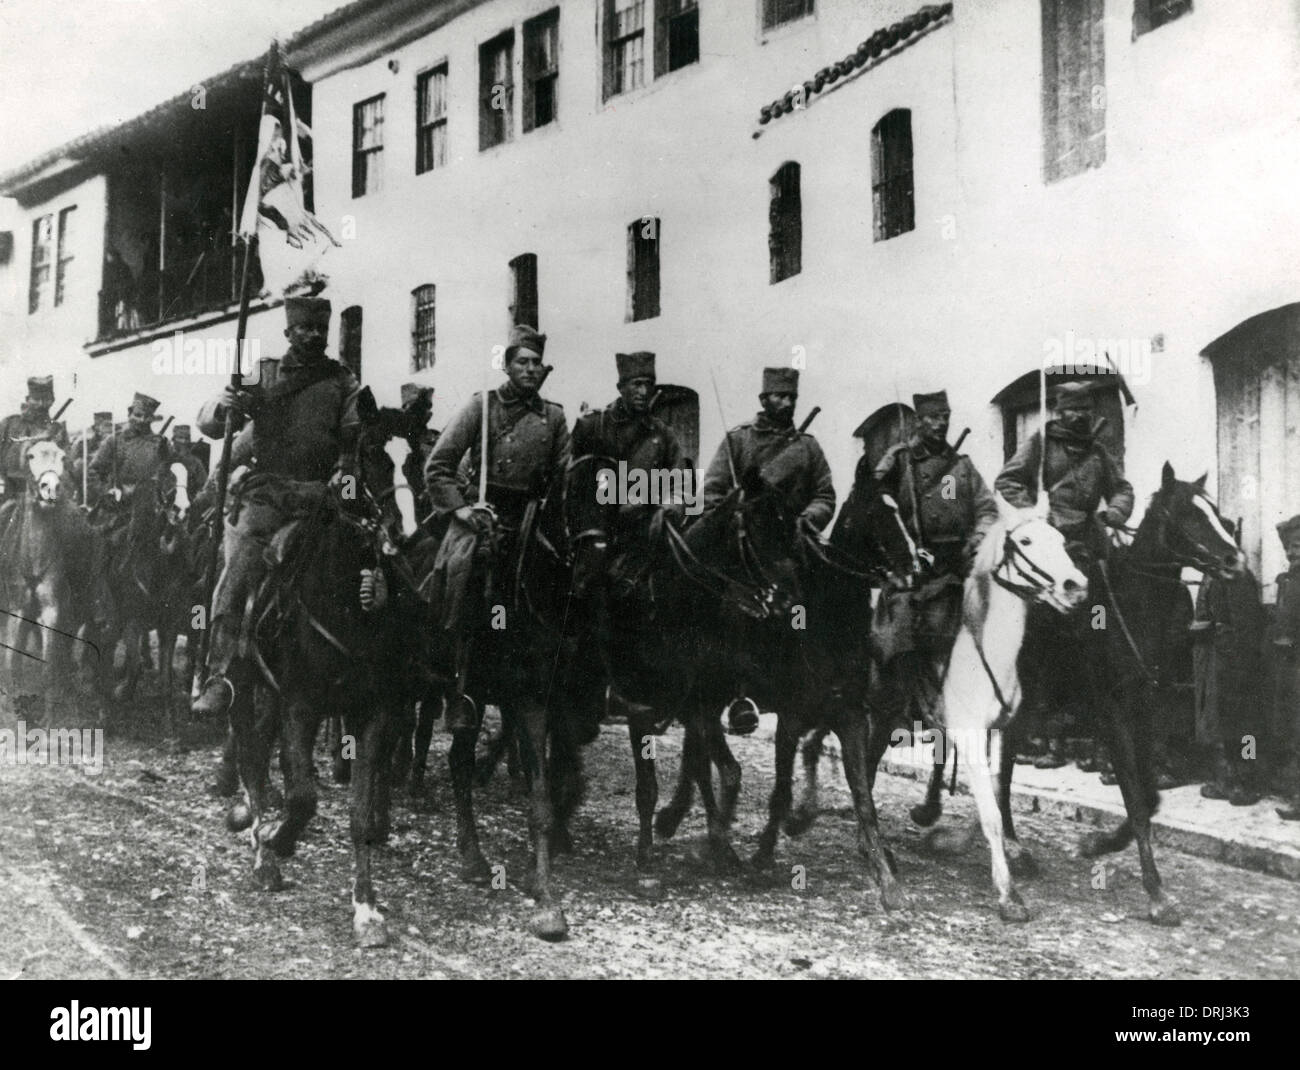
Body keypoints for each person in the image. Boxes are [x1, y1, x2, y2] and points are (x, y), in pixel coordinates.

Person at [191, 296, 361, 717]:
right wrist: (223, 406)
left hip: (318, 495)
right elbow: (210, 424)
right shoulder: (264, 373)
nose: (314, 336)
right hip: (267, 496)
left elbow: (353, 438)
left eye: (321, 330)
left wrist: (345, 474)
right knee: (240, 569)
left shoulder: (342, 382)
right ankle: (222, 674)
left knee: (361, 563)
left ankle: (355, 667)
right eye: (305, 329)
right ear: (289, 332)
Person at [422, 323, 570, 732]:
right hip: (481, 515)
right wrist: (462, 510)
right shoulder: (481, 407)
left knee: (564, 580)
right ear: (506, 366)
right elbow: (438, 466)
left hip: (530, 518)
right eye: (521, 361)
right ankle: (460, 688)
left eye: (536, 363)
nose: (529, 368)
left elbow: (564, 476)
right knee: (463, 576)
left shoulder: (554, 417)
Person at [995, 381, 1135, 769]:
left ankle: (1098, 736)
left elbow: (1122, 488)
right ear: (1059, 411)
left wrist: (1115, 514)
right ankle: (1045, 734)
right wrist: (1034, 518)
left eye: (1085, 410)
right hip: (1050, 556)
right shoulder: (1041, 444)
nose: (1079, 417)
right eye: (1072, 410)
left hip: (1087, 553)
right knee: (1045, 645)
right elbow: (1007, 481)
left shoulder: (1098, 450)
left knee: (1100, 632)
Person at [699, 366, 835, 734]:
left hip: (791, 546)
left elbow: (825, 495)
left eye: (791, 397)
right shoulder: (738, 442)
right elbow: (712, 494)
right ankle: (738, 694)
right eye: (780, 396)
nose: (787, 402)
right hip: (747, 550)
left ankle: (809, 678)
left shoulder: (808, 448)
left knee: (808, 605)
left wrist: (807, 520)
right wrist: (736, 519)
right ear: (764, 399)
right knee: (732, 608)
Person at [569, 351, 687, 732]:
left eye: (648, 385)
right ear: (621, 387)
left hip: (649, 536)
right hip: (603, 532)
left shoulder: (663, 434)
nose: (643, 391)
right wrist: (632, 497)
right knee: (594, 599)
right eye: (636, 384)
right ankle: (593, 689)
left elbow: (680, 485)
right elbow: (582, 481)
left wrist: (670, 503)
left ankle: (671, 687)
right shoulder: (597, 426)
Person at [870, 389, 999, 729]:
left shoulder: (962, 467)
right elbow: (874, 498)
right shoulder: (900, 460)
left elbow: (987, 509)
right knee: (900, 630)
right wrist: (885, 501)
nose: (940, 424)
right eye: (932, 418)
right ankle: (899, 707)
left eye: (944, 417)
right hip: (910, 570)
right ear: (917, 421)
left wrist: (975, 543)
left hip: (954, 567)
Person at [1193, 555, 1265, 806]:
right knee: (1226, 721)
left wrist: (1238, 657)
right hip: (1221, 659)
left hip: (1240, 661)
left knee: (1247, 725)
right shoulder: (1212, 575)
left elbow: (1248, 622)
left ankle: (1247, 781)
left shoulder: (1239, 577)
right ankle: (1229, 779)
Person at [87, 392, 167, 507]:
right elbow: (94, 472)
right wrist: (107, 492)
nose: (142, 420)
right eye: (138, 415)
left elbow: (170, 473)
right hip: (119, 503)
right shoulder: (114, 441)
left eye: (147, 417)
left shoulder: (160, 443)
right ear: (129, 414)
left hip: (149, 503)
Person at [1271, 515, 1300, 820]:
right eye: (1290, 548)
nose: (1293, 553)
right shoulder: (1289, 578)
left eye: (1298, 546)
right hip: (1289, 665)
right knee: (1293, 728)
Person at [0, 376, 69, 502]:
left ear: (52, 401)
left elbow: (66, 464)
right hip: (11, 491)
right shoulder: (10, 424)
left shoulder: (57, 430)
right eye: (36, 399)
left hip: (44, 493)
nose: (41, 404)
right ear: (28, 399)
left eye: (46, 399)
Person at [68, 411, 114, 506]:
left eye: (109, 426)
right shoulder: (84, 442)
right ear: (96, 427)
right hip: (91, 484)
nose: (107, 429)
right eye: (104, 425)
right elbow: (75, 464)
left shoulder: (117, 440)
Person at [169, 424, 209, 491]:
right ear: (174, 439)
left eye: (186, 438)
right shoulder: (166, 456)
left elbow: (203, 484)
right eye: (180, 437)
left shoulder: (195, 461)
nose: (183, 441)